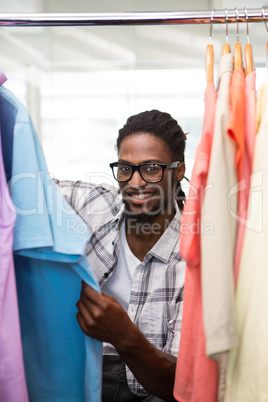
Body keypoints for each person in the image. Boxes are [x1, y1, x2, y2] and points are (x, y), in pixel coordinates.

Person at [56, 110, 186, 402]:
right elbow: (25, 186)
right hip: (82, 375)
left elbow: (181, 386)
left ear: (178, 171)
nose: (136, 183)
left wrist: (123, 335)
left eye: (152, 168)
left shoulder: (193, 259)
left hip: (150, 389)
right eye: (126, 168)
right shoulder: (96, 206)